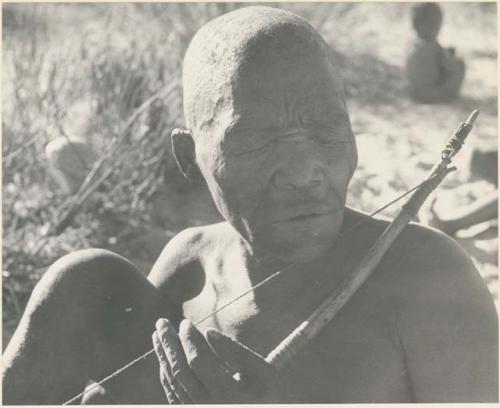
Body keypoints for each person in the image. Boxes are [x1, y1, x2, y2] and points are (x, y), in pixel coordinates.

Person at [2, 6, 497, 404]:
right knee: (84, 281)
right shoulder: (189, 267)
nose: (305, 170)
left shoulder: (428, 282)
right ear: (188, 158)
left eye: (326, 128)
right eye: (257, 139)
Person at [406, 3, 466, 103]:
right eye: (433, 24)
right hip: (432, 94)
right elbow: (448, 64)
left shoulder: (412, 45)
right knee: (460, 64)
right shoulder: (432, 45)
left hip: (414, 93)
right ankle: (451, 96)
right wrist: (454, 61)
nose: (437, 28)